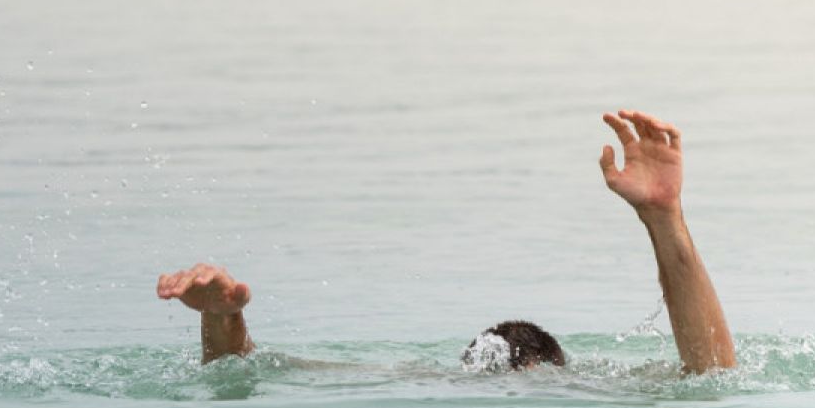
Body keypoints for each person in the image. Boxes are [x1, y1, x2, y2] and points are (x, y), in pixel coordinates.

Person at [156, 111, 736, 374]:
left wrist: (224, 323)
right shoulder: (588, 390)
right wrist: (666, 223)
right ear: (552, 372)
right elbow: (712, 374)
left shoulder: (412, 379)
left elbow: (249, 372)